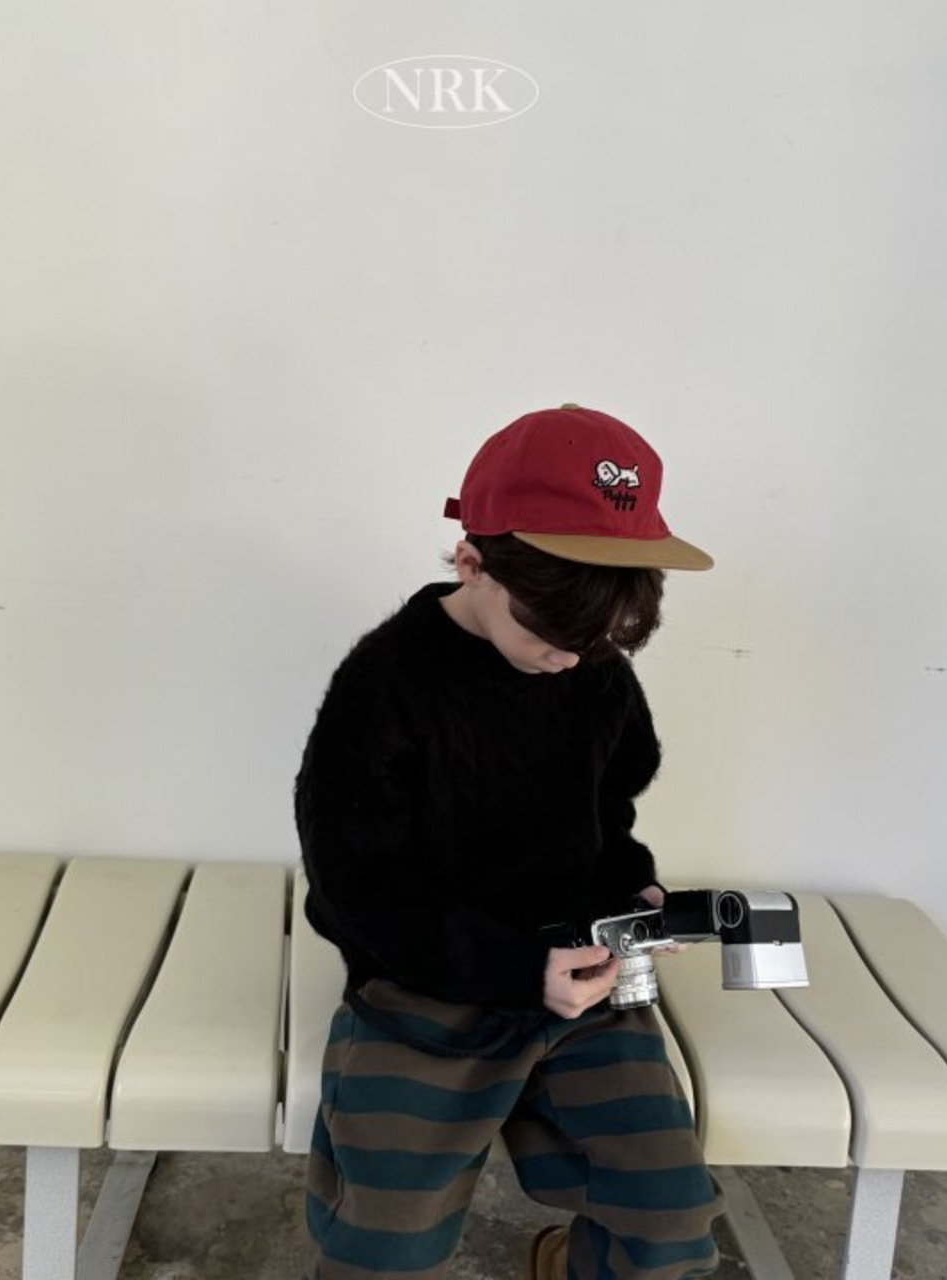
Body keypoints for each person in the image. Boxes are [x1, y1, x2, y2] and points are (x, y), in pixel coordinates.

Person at [294, 404, 724, 1280]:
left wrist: (631, 890)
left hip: (584, 972)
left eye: (596, 640)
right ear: (472, 562)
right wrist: (514, 968)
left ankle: (570, 1262)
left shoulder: (595, 673)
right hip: (426, 976)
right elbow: (358, 883)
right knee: (384, 1243)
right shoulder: (384, 687)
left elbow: (606, 811)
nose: (571, 659)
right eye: (550, 635)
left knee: (672, 1220)